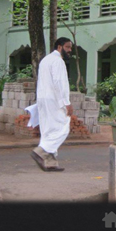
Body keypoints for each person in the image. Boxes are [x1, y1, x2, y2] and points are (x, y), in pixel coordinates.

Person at [31, 37, 73, 171]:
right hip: (54, 100)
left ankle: (50, 162)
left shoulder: (46, 60)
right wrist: (66, 103)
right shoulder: (57, 61)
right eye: (67, 47)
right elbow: (59, 83)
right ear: (59, 47)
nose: (70, 50)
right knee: (63, 126)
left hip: (43, 99)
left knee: (48, 129)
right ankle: (42, 151)